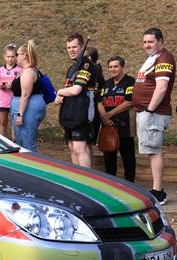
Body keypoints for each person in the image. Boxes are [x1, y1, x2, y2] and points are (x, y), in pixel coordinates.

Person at [132, 27, 176, 205]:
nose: (146, 45)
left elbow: (162, 87)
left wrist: (150, 109)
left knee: (154, 151)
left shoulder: (164, 57)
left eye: (150, 42)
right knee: (151, 151)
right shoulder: (153, 58)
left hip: (154, 113)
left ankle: (158, 191)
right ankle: (156, 188)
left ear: (160, 41)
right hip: (146, 111)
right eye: (144, 42)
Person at [55, 33, 100, 168]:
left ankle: (86, 183)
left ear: (82, 47)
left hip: (82, 114)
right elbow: (69, 89)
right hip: (70, 113)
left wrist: (59, 91)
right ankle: (78, 180)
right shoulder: (72, 67)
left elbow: (76, 90)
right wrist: (60, 97)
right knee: (72, 147)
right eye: (69, 47)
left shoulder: (86, 65)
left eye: (74, 47)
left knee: (80, 148)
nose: (71, 50)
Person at [97, 55, 136, 182]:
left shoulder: (130, 81)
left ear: (122, 67)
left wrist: (109, 114)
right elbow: (100, 102)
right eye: (110, 67)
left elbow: (128, 102)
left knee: (128, 156)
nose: (113, 69)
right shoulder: (106, 83)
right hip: (108, 126)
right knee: (109, 155)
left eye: (116, 66)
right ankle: (111, 183)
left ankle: (130, 182)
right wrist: (104, 117)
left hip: (125, 125)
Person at [10, 40, 46, 152]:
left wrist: (20, 115)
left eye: (17, 54)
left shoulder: (28, 72)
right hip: (22, 108)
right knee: (21, 143)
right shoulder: (24, 71)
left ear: (25, 56)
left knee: (27, 144)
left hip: (27, 109)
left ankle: (35, 167)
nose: (16, 57)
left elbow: (25, 95)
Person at [0, 44, 21, 139]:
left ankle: (15, 142)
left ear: (16, 57)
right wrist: (0, 85)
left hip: (15, 100)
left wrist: (12, 85)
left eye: (12, 57)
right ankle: (3, 142)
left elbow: (21, 84)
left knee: (13, 123)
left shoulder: (19, 70)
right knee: (3, 122)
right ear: (4, 57)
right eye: (8, 57)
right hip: (3, 101)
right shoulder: (0, 70)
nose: (10, 59)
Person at [85, 47, 106, 144]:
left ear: (89, 57)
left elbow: (96, 87)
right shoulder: (96, 68)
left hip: (93, 102)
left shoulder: (94, 69)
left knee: (90, 132)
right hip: (93, 101)